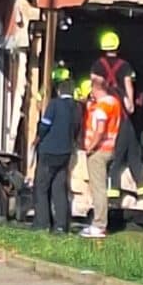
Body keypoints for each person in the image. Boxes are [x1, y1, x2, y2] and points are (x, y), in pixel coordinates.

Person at [93, 31, 143, 206]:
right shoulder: (125, 65)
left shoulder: (98, 65)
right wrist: (130, 106)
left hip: (110, 116)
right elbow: (128, 89)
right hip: (124, 118)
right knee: (134, 157)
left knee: (116, 159)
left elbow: (94, 87)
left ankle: (113, 196)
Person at [30, 77, 80, 233]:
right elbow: (77, 129)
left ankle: (42, 224)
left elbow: (45, 126)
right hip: (65, 152)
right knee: (59, 189)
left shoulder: (54, 104)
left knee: (41, 188)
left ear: (59, 91)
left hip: (49, 151)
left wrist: (37, 139)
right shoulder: (77, 108)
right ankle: (61, 225)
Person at [80, 71, 121, 239]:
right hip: (110, 148)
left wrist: (90, 147)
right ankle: (99, 222)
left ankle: (99, 224)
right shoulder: (114, 103)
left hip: (98, 151)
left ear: (94, 89)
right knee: (101, 187)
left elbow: (100, 129)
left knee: (98, 189)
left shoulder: (101, 108)